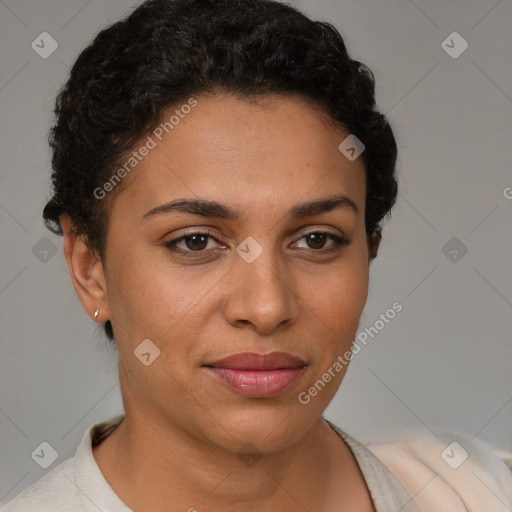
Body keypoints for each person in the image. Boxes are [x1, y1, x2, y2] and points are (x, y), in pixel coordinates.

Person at [2, 0, 511, 510]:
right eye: (195, 241)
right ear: (91, 270)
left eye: (316, 239)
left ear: (368, 253)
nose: (267, 307)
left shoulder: (475, 493)